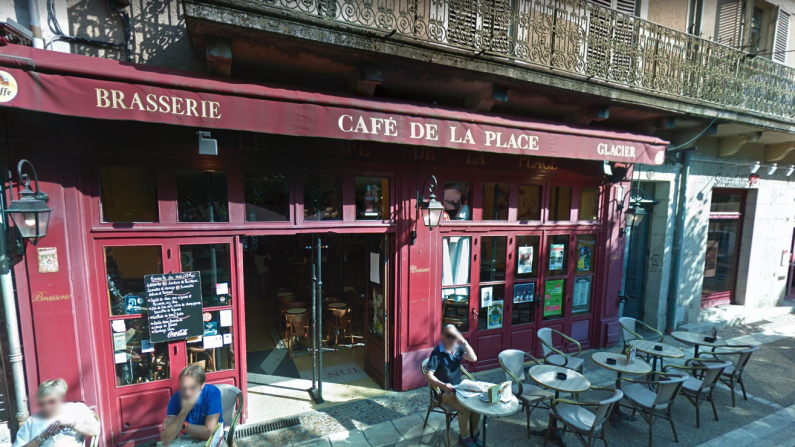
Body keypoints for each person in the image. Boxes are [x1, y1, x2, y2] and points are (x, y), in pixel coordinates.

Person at [424, 325, 481, 447]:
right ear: (443, 337)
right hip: (444, 393)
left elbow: (473, 358)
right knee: (465, 407)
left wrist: (464, 341)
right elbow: (428, 376)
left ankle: (474, 434)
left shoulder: (458, 348)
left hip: (459, 389)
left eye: (454, 336)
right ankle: (464, 437)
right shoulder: (436, 353)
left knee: (476, 401)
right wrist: (443, 385)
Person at [13, 379, 100, 447]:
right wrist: (43, 435)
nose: (47, 406)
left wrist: (71, 425)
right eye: (43, 402)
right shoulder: (32, 421)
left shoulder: (78, 409)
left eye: (51, 401)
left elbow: (95, 431)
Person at [161, 365, 223, 446]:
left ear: (202, 385)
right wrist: (184, 412)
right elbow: (166, 440)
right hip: (189, 442)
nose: (187, 393)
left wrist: (180, 424)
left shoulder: (212, 393)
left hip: (213, 442)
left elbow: (209, 433)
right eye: (184, 388)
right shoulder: (175, 399)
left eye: (192, 388)